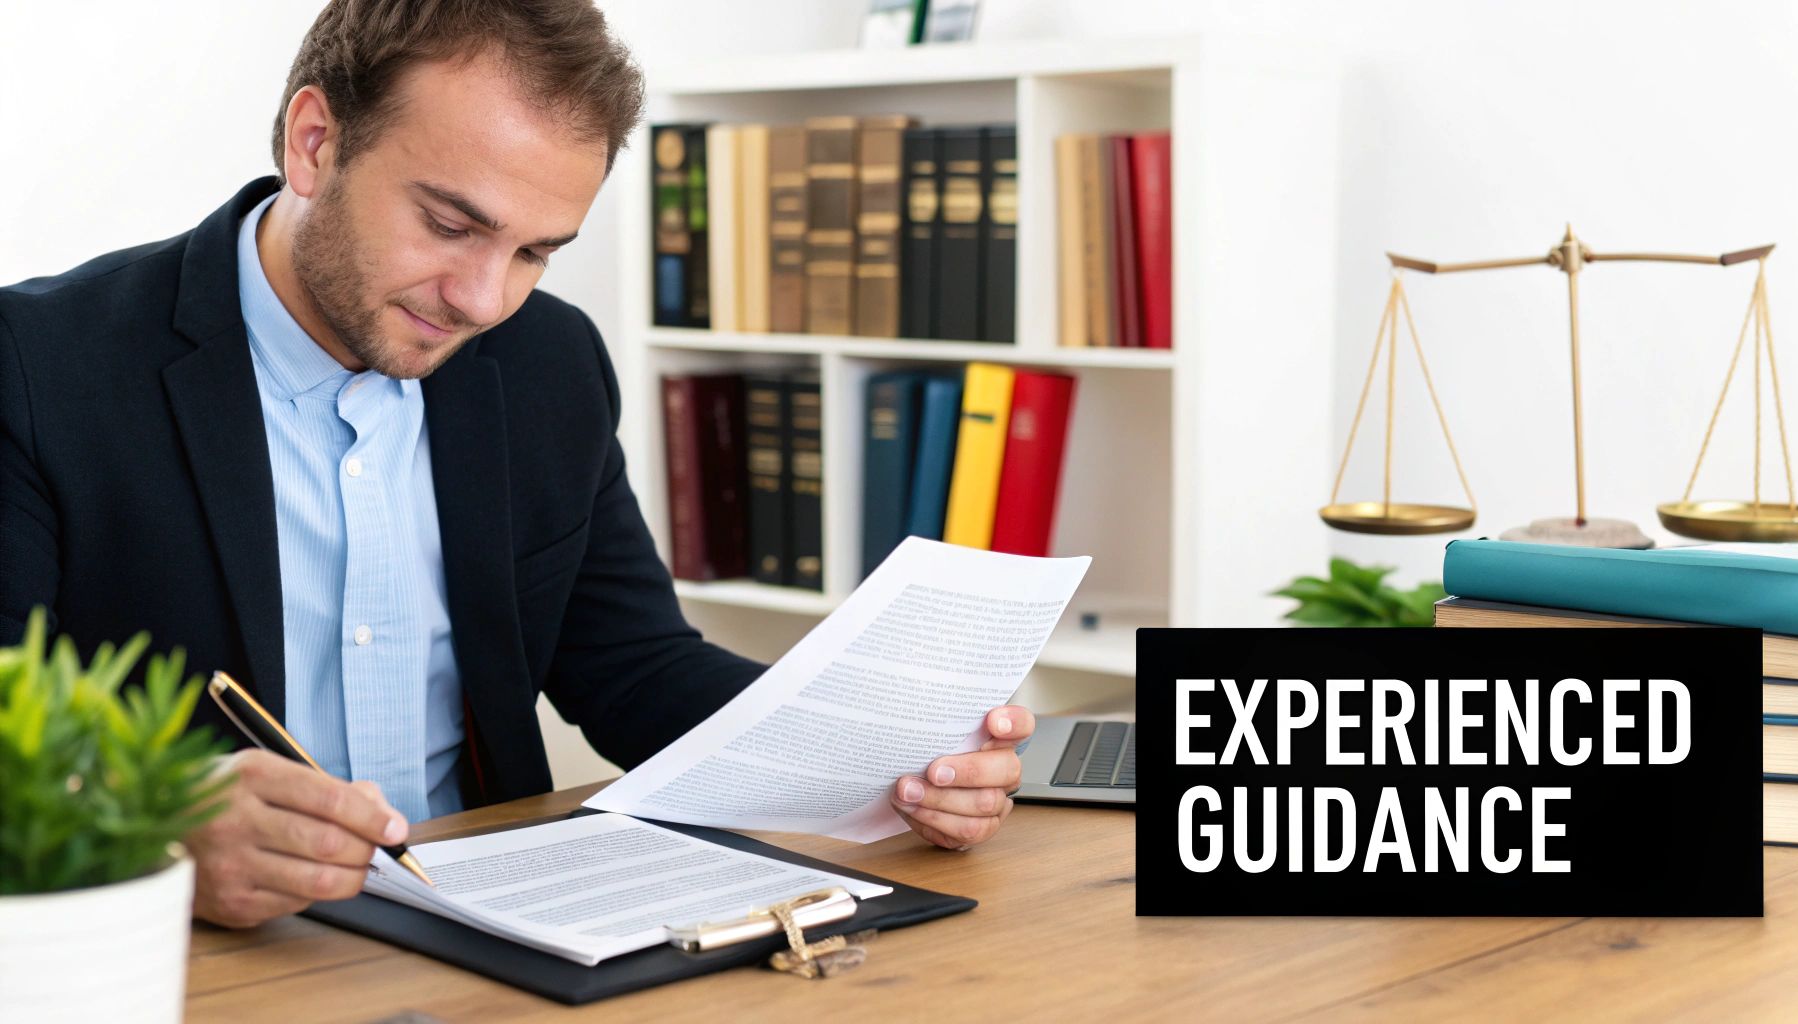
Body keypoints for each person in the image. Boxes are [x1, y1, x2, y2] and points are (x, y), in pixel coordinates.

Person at [0, 0, 1030, 929]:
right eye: (452, 224)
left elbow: (631, 669)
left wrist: (874, 756)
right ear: (313, 143)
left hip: (502, 940)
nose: (485, 299)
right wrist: (154, 824)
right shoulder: (40, 366)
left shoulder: (547, 362)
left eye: (537, 251)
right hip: (189, 958)